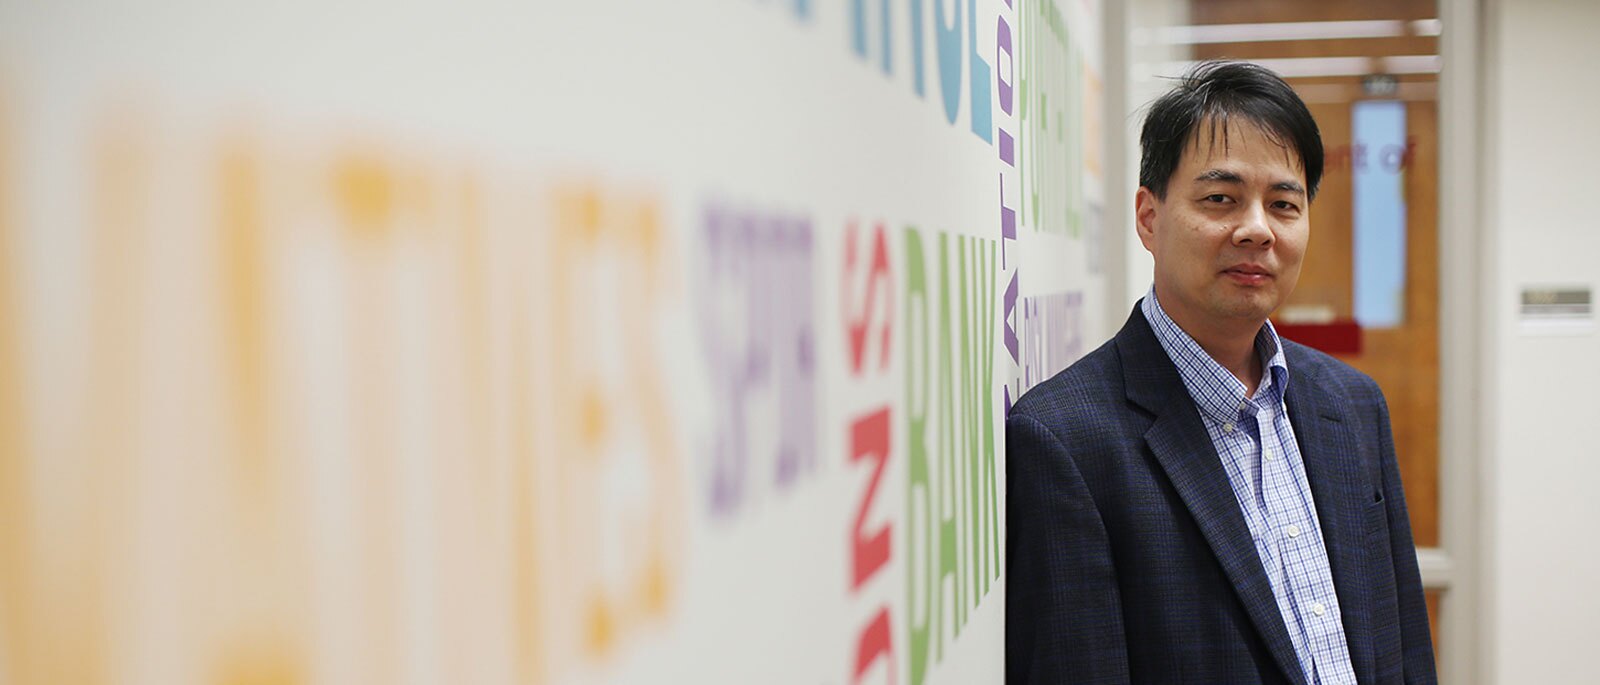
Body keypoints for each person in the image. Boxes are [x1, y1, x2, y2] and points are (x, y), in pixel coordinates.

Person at [1005, 61, 1436, 684]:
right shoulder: (1066, 440)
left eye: (1284, 204)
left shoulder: (1353, 405)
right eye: (1220, 199)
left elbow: (1405, 650)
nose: (1257, 229)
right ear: (1149, 218)